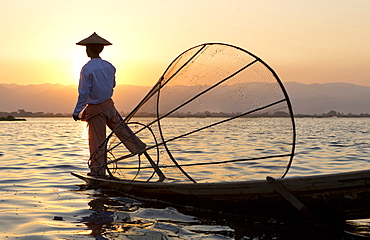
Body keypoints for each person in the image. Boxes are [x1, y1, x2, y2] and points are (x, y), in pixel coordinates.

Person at [73, 32, 147, 177]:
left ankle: (98, 172)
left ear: (88, 50)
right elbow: (112, 85)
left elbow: (84, 92)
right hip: (109, 106)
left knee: (97, 142)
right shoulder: (109, 66)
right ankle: (138, 147)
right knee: (124, 132)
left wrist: (77, 112)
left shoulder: (87, 68)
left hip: (96, 110)